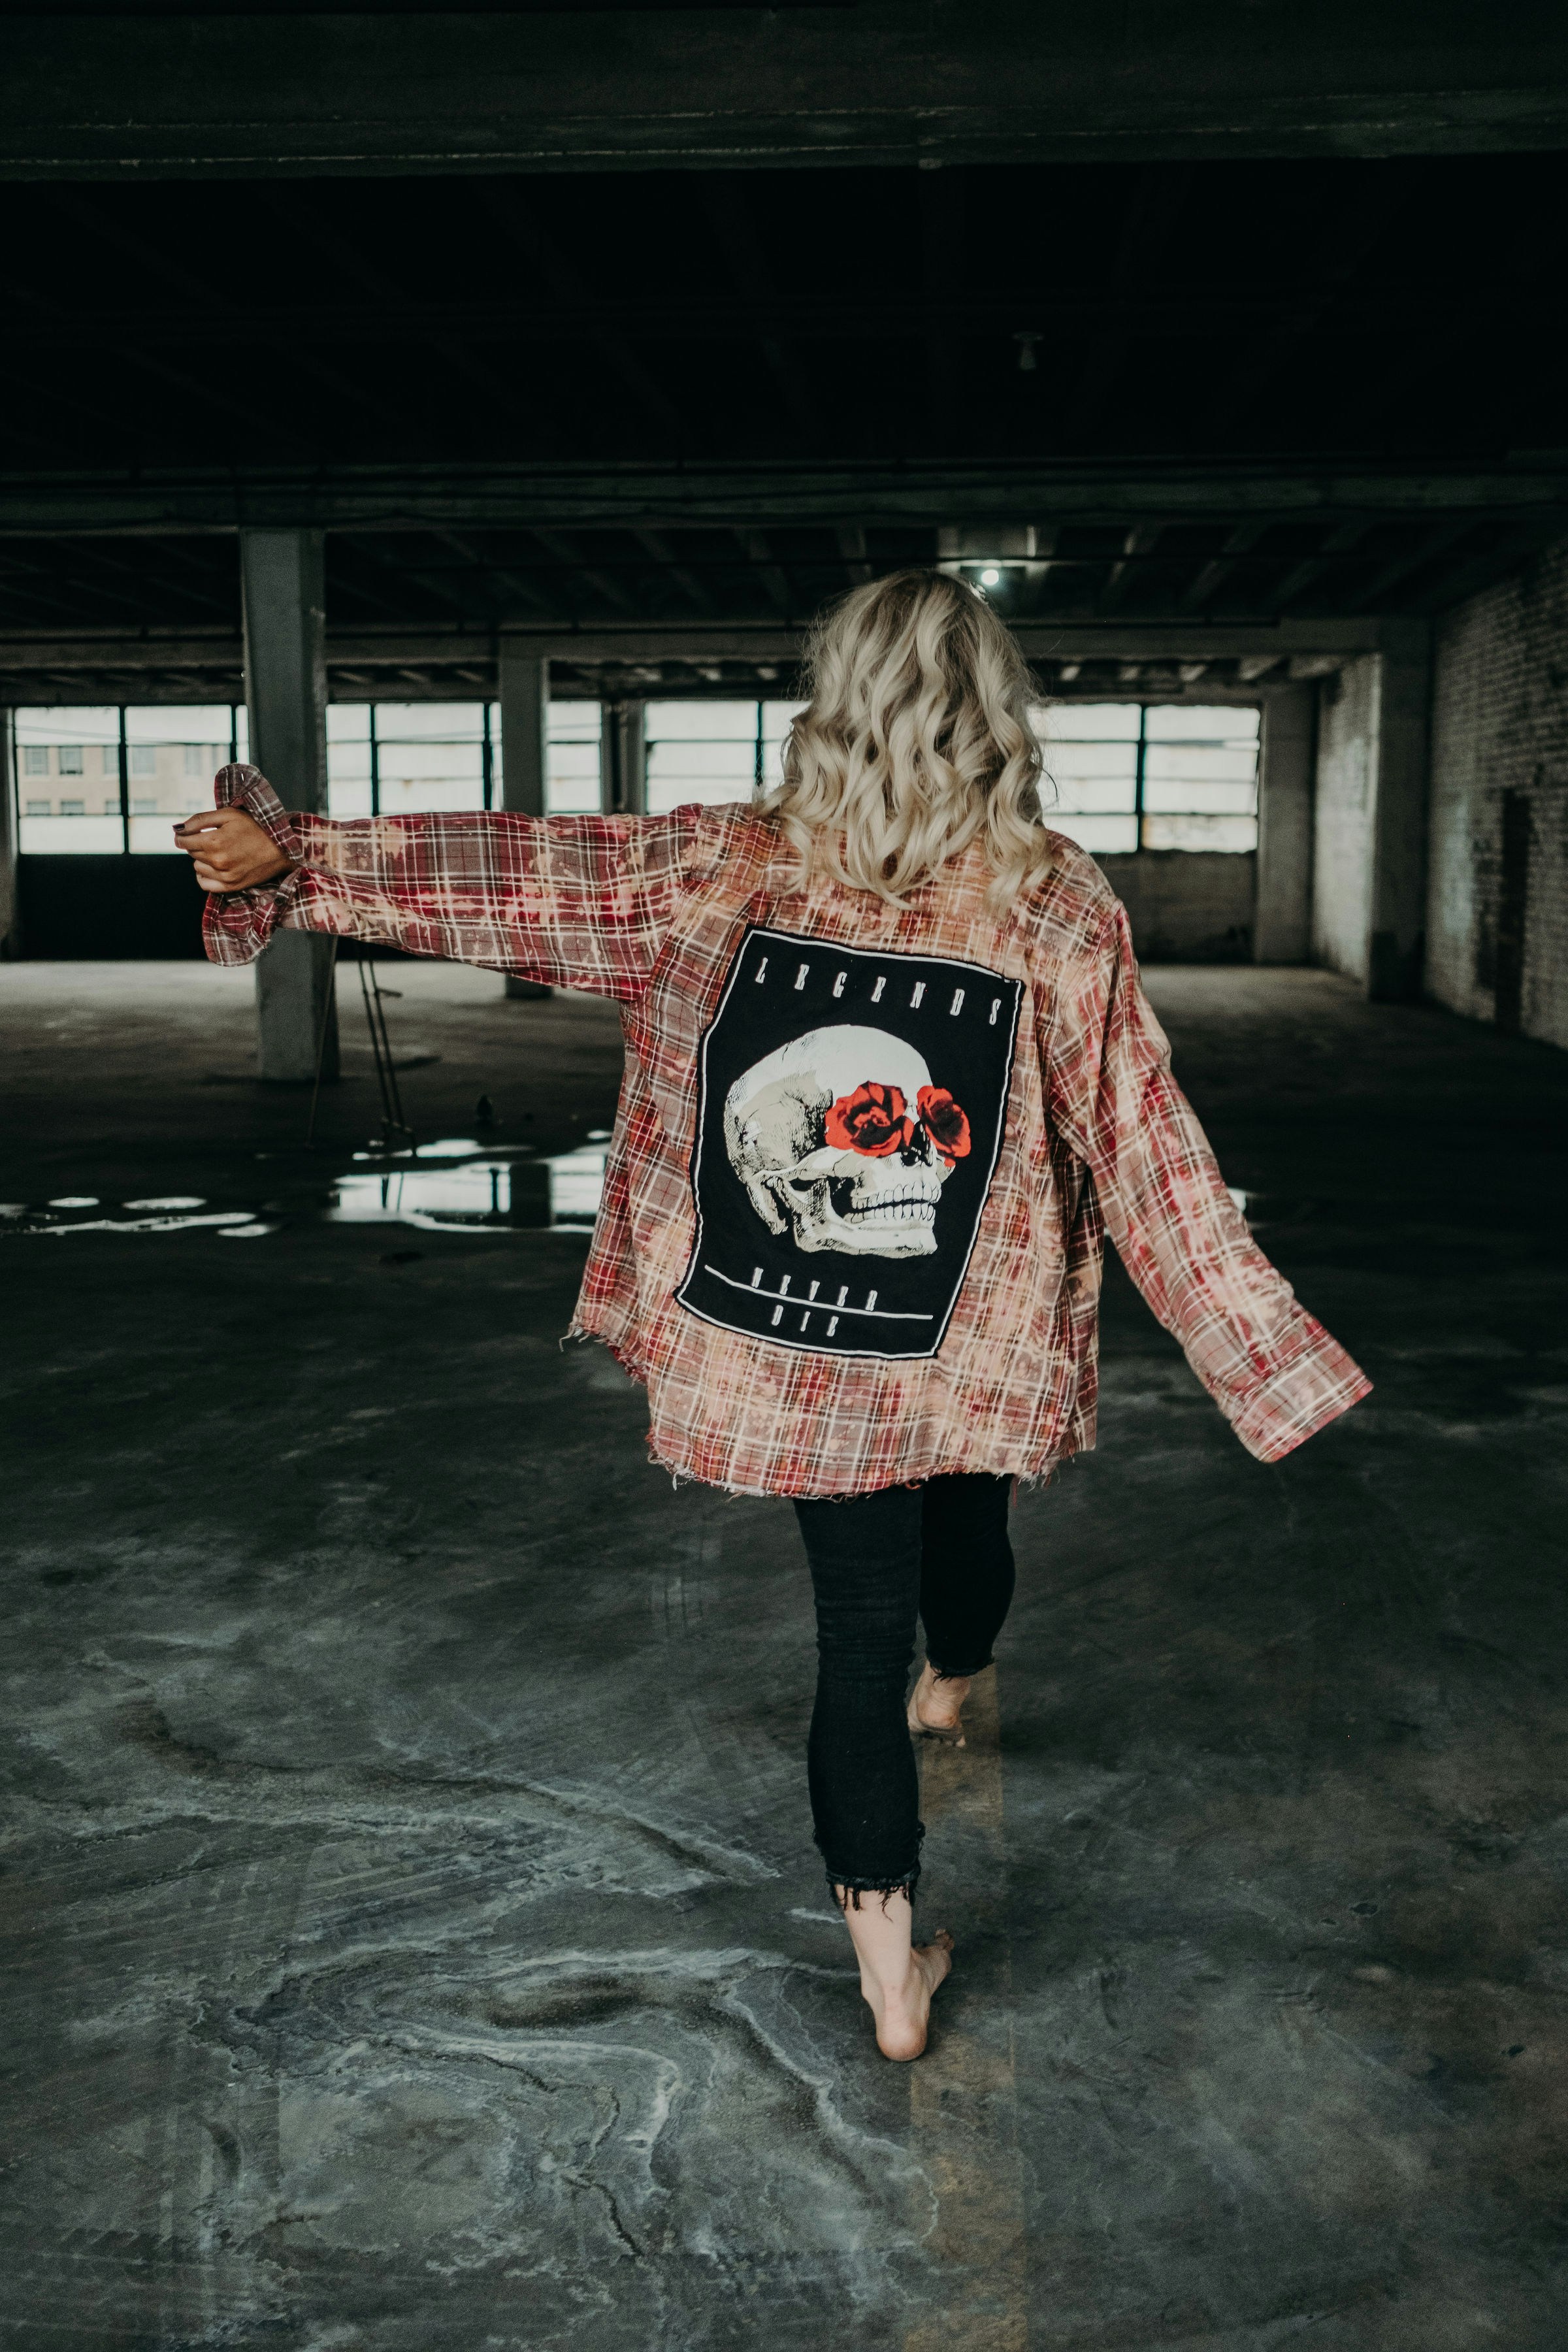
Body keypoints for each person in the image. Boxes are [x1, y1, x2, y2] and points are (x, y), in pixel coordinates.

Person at [178, 570, 1369, 2062]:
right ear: (997, 718)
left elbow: (511, 873)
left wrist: (292, 860)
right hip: (962, 1338)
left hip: (794, 1351)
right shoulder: (1053, 897)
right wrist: (1261, 1350)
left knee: (850, 1641)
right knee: (970, 1539)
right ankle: (966, 1678)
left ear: (831, 704)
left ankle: (887, 1977)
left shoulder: (714, 868)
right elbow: (1143, 1141)